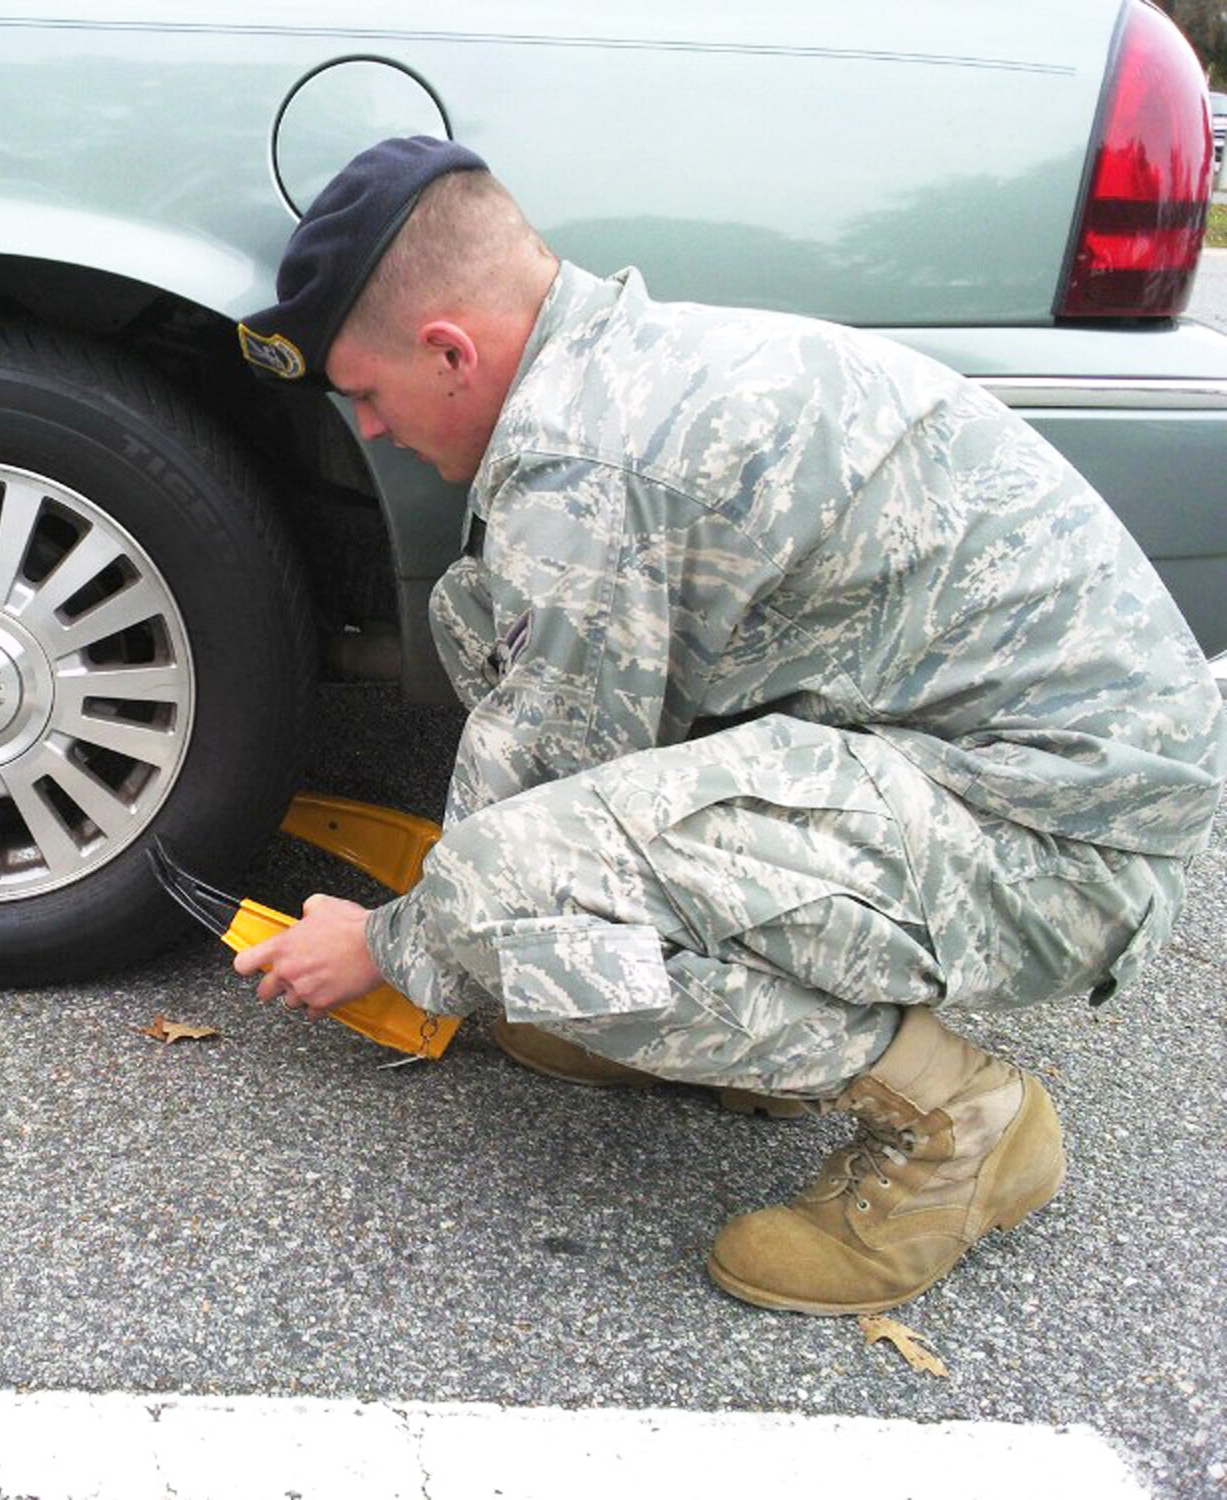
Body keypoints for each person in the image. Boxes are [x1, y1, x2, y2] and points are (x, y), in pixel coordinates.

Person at [229, 136, 1223, 1315]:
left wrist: (395, 947)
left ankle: (961, 1128)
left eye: (368, 395)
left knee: (504, 900)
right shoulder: (617, 360)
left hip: (1056, 845)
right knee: (478, 625)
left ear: (449, 350)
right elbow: (549, 726)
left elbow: (529, 824)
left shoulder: (583, 466)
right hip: (1020, 769)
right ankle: (707, 1013)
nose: (374, 429)